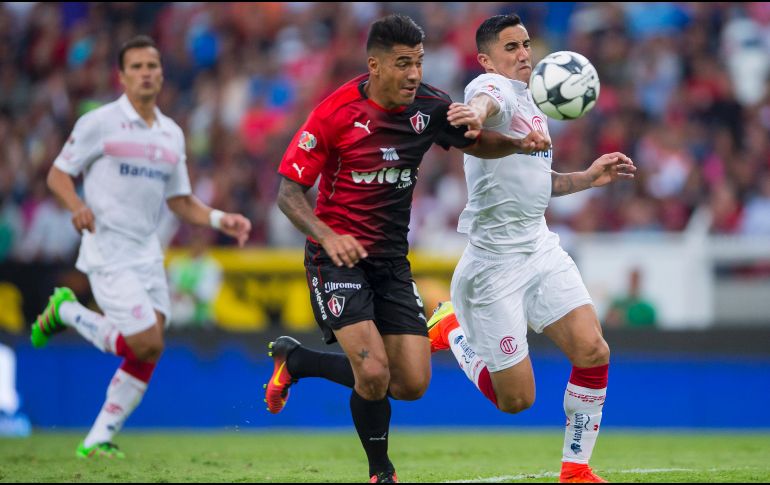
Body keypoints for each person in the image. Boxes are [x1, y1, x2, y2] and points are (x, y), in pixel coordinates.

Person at [266, 14, 550, 483]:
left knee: (411, 383)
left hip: (392, 263)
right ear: (375, 65)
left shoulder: (430, 106)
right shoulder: (334, 114)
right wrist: (327, 235)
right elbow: (288, 193)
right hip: (336, 259)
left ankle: (298, 361)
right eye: (403, 63)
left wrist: (519, 144)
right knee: (373, 372)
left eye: (418, 62)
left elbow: (475, 142)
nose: (414, 73)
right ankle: (381, 472)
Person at [425, 14, 636, 484]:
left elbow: (538, 182)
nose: (523, 53)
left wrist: (587, 178)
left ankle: (576, 469)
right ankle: (452, 329)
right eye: (511, 47)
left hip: (539, 247)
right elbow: (482, 105)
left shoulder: (535, 102)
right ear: (486, 60)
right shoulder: (492, 89)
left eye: (525, 44)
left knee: (593, 349)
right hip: (493, 266)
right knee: (516, 400)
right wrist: (474, 113)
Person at [29, 35, 251, 458]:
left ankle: (98, 438)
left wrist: (220, 219)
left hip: (148, 252)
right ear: (122, 76)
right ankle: (67, 311)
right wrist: (76, 206)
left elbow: (180, 201)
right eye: (136, 67)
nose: (146, 73)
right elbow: (58, 174)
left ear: (162, 74)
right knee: (145, 342)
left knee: (149, 348)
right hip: (108, 249)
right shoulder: (99, 123)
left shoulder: (171, 134)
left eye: (152, 66)